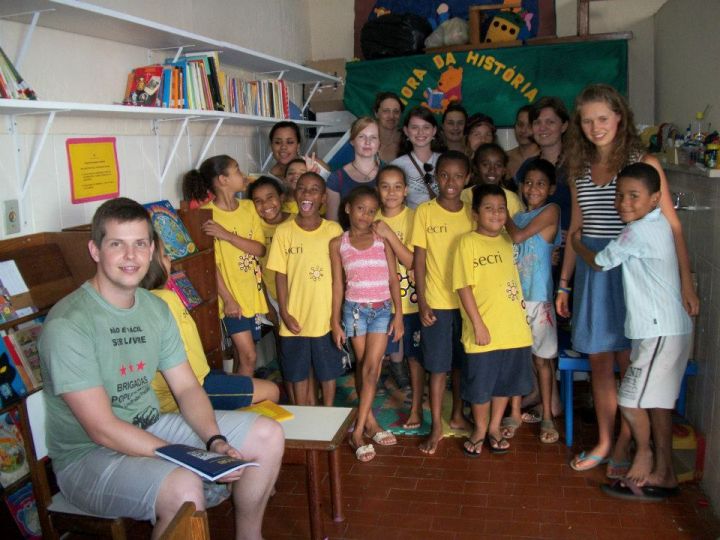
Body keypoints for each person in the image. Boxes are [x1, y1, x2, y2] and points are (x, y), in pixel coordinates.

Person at [38, 197, 283, 538]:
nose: (131, 256)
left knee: (267, 435)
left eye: (140, 244)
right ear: (95, 250)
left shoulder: (155, 308)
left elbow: (186, 388)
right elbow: (102, 429)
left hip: (152, 425)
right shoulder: (69, 323)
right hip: (88, 457)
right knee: (183, 487)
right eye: (117, 244)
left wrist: (213, 441)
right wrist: (182, 456)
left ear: (152, 248)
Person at [558, 84, 699, 475]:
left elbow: (673, 226)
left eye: (603, 118)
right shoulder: (578, 168)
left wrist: (685, 284)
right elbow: (576, 230)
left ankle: (630, 441)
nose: (595, 127)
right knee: (599, 362)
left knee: (629, 363)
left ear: (619, 117)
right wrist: (564, 283)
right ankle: (607, 441)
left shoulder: (643, 163)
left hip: (632, 274)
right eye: (587, 120)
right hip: (593, 270)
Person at [571, 163, 692, 500]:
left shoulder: (635, 232)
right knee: (658, 404)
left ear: (655, 198)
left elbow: (598, 262)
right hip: (669, 329)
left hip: (658, 332)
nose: (624, 202)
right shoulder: (659, 225)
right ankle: (665, 474)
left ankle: (644, 454)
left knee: (629, 399)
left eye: (634, 196)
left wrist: (576, 243)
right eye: (619, 195)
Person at [142, 233, 279, 412]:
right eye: (166, 256)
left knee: (239, 379)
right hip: (190, 388)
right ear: (154, 266)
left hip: (192, 380)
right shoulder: (166, 300)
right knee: (272, 391)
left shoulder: (146, 299)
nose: (170, 260)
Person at [453, 184, 534, 456]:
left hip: (513, 329)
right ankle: (479, 429)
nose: (496, 214)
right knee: (480, 385)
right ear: (475, 213)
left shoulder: (508, 240)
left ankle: (495, 428)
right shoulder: (467, 242)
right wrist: (478, 324)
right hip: (483, 331)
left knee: (504, 384)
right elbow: (463, 286)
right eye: (489, 208)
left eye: (502, 209)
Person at [330, 186, 404, 462]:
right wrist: (335, 321)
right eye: (360, 208)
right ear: (348, 207)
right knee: (365, 369)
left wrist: (398, 314)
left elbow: (394, 279)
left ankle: (358, 431)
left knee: (372, 369)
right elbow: (338, 284)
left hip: (382, 309)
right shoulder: (338, 243)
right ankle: (370, 423)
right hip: (355, 312)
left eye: (372, 210)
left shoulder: (381, 239)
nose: (365, 215)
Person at [411, 150, 475, 454]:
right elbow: (419, 261)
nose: (450, 182)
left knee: (462, 364)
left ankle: (458, 414)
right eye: (444, 175)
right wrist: (422, 302)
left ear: (467, 179)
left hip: (468, 304)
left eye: (458, 176)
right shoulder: (425, 212)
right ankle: (436, 425)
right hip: (437, 302)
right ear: (436, 177)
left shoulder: (472, 213)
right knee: (437, 367)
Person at [184, 155, 267, 377]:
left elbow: (260, 250)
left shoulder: (248, 207)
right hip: (231, 298)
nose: (243, 175)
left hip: (252, 294)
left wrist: (227, 235)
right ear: (223, 179)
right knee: (249, 356)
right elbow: (212, 265)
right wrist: (228, 299)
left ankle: (242, 403)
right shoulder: (207, 215)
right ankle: (242, 406)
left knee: (244, 356)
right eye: (237, 170)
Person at [267, 172, 345, 405]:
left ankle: (328, 411)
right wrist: (284, 312)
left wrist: (336, 317)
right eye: (301, 188)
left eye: (314, 190)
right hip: (295, 319)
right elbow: (280, 276)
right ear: (294, 193)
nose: (307, 194)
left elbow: (339, 278)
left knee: (328, 371)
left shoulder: (333, 231)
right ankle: (303, 412)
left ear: (323, 198)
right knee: (297, 372)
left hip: (325, 317)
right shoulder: (284, 231)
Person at [503, 158, 562, 443]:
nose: (533, 188)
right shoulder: (518, 215)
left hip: (539, 299)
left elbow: (518, 236)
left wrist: (500, 213)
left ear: (551, 188)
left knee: (542, 360)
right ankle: (514, 411)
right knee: (518, 358)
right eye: (528, 183)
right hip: (515, 299)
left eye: (540, 183)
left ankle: (548, 417)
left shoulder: (552, 210)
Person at [373, 165, 423, 424]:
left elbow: (414, 261)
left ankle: (415, 408)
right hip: (379, 301)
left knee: (414, 356)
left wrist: (389, 235)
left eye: (397, 187)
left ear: (406, 191)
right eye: (385, 186)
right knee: (377, 353)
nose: (391, 192)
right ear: (377, 191)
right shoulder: (371, 219)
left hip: (412, 301)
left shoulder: (415, 217)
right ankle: (371, 411)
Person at [326, 117, 381, 221]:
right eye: (361, 137)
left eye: (373, 137)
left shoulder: (388, 174)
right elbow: (332, 224)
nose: (367, 142)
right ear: (352, 141)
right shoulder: (336, 178)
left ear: (379, 142)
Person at [391, 106, 442, 209]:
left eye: (426, 127)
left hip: (442, 222)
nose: (420, 132)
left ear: (434, 130)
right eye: (414, 127)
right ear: (406, 131)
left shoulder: (445, 161)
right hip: (411, 222)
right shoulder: (397, 165)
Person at [461, 143, 524, 217]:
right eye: (485, 165)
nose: (492, 170)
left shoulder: (512, 199)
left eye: (498, 165)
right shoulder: (463, 196)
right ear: (475, 168)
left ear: (504, 170)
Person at [506, 105, 540, 179]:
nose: (523, 130)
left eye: (530, 126)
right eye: (520, 124)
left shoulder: (545, 157)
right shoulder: (505, 157)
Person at [374, 91, 404, 163]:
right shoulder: (365, 140)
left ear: (400, 115)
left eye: (396, 111)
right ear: (376, 114)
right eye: (386, 111)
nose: (391, 116)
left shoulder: (407, 141)